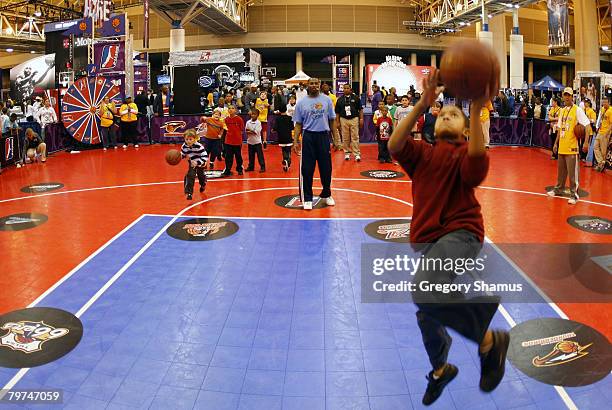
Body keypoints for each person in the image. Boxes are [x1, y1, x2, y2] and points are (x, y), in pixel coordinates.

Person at [388, 68, 509, 406]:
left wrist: (473, 111)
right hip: (433, 244)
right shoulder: (423, 154)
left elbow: (475, 157)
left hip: (462, 234)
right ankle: (441, 370)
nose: (447, 114)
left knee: (421, 290)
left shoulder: (463, 155)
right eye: (444, 112)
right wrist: (422, 104)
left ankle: (489, 342)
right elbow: (395, 143)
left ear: (462, 129)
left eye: (454, 114)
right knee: (427, 312)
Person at [293, 77, 336, 210]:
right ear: (307, 85)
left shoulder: (327, 100)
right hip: (308, 137)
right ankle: (307, 198)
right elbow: (298, 124)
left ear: (320, 85)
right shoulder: (301, 103)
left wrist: (336, 138)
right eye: (311, 83)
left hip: (323, 136)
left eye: (316, 83)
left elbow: (332, 120)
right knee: (307, 169)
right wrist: (295, 141)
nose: (314, 86)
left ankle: (327, 194)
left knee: (326, 168)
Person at [547, 87, 591, 204]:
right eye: (565, 95)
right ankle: (558, 189)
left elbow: (587, 126)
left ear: (572, 97)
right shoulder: (562, 111)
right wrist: (555, 143)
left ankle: (574, 195)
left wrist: (586, 142)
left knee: (573, 175)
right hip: (562, 147)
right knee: (560, 173)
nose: (566, 97)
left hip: (572, 148)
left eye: (569, 95)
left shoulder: (577, 110)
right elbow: (560, 128)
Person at [335, 84, 363, 162]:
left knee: (355, 137)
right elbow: (337, 112)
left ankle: (357, 154)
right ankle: (347, 153)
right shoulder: (340, 99)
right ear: (343, 89)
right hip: (343, 119)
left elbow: (360, 109)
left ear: (350, 89)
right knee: (345, 137)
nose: (346, 89)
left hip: (354, 118)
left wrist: (361, 119)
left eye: (348, 88)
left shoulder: (356, 98)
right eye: (345, 88)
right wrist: (337, 122)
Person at [181, 129, 208, 200]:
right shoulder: (184, 146)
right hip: (192, 162)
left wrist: (198, 162)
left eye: (190, 139)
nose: (188, 141)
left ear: (195, 139)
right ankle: (189, 193)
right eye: (186, 139)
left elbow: (205, 156)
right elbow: (183, 154)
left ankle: (203, 184)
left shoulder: (199, 146)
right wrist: (179, 156)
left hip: (201, 162)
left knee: (201, 175)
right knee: (190, 175)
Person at [222, 105, 245, 176]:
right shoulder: (226, 119)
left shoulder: (239, 119)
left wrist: (237, 136)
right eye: (229, 108)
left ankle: (239, 169)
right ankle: (228, 170)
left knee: (238, 156)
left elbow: (241, 129)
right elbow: (224, 129)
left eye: (232, 108)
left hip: (237, 141)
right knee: (228, 157)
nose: (231, 110)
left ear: (235, 110)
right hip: (228, 141)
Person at [273, 104, 294, 172]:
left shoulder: (278, 119)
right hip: (288, 137)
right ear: (286, 109)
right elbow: (292, 127)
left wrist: (273, 130)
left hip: (281, 137)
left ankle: (285, 161)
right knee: (289, 150)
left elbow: (275, 128)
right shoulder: (290, 118)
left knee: (284, 150)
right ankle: (288, 161)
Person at [593, 96, 611, 172]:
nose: (604, 103)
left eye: (605, 102)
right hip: (600, 131)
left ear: (609, 102)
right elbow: (601, 119)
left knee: (603, 151)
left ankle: (601, 167)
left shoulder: (611, 111)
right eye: (603, 102)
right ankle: (601, 162)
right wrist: (598, 126)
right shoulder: (602, 109)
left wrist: (607, 133)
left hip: (606, 133)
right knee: (595, 147)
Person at [245, 108, 265, 172]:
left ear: (257, 115)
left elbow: (256, 132)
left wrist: (251, 131)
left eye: (254, 114)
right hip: (250, 141)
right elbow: (246, 131)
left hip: (257, 142)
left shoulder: (258, 123)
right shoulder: (248, 122)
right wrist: (252, 131)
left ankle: (262, 166)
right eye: (252, 114)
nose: (253, 115)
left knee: (260, 156)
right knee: (251, 155)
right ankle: (251, 166)